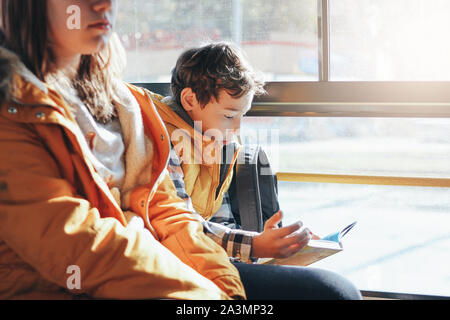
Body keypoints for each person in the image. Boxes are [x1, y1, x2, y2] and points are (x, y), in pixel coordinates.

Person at [0, 0, 246, 300]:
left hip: (158, 270)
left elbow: (169, 211)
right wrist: (204, 298)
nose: (104, 4)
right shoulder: (11, 107)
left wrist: (226, 292)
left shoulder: (128, 103)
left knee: (316, 287)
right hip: (68, 287)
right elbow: (80, 244)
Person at [156, 42, 363, 299]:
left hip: (206, 258)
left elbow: (219, 222)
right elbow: (178, 227)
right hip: (173, 264)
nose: (237, 129)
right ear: (190, 99)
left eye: (242, 115)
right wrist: (255, 246)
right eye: (229, 116)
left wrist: (275, 245)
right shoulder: (162, 140)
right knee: (337, 293)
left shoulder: (218, 142)